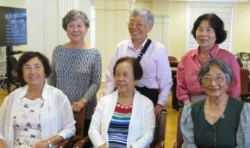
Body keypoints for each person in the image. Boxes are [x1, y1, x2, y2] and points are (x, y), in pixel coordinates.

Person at [104, 8, 172, 118]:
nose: (134, 27)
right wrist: (106, 99)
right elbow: (111, 77)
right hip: (121, 95)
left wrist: (160, 103)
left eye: (139, 24)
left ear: (150, 26)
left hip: (148, 97)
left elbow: (165, 81)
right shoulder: (120, 47)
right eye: (131, 23)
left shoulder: (158, 49)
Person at [0, 52, 75, 148]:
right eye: (27, 67)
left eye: (37, 66)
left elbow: (70, 128)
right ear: (22, 72)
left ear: (45, 70)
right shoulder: (12, 97)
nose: (32, 72)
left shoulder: (58, 97)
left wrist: (48, 142)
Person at [48, 9, 102, 135]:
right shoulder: (58, 50)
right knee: (61, 139)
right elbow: (51, 77)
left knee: (83, 140)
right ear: (66, 29)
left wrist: (83, 101)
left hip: (84, 109)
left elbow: (96, 82)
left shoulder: (94, 53)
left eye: (79, 25)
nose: (75, 29)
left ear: (86, 28)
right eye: (71, 26)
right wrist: (55, 98)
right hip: (60, 107)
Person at [180, 59, 250, 147]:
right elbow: (189, 145)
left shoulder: (242, 111)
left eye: (219, 78)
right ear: (201, 83)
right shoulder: (191, 111)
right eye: (207, 78)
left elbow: (244, 145)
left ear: (228, 81)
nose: (213, 83)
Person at [89, 57, 155, 148]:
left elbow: (149, 135)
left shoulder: (146, 104)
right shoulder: (104, 101)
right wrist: (102, 146)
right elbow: (93, 130)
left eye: (125, 75)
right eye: (117, 74)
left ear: (135, 77)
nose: (120, 78)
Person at [177, 13, 240, 105]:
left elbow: (234, 88)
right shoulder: (186, 57)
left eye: (209, 30)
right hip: (192, 103)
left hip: (222, 103)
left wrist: (226, 108)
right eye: (200, 29)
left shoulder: (228, 58)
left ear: (217, 34)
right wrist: (187, 104)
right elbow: (181, 85)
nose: (203, 34)